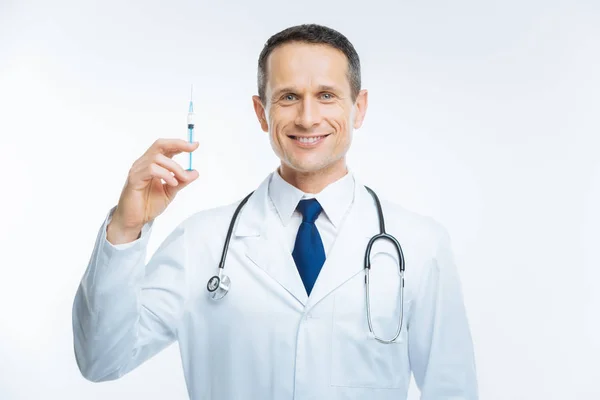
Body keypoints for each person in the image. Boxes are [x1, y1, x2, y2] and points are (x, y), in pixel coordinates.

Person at [72, 23, 479, 399]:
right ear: (261, 112)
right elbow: (101, 359)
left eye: (326, 95)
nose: (307, 118)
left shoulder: (420, 245)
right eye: (288, 97)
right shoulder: (201, 243)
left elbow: (453, 390)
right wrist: (126, 227)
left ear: (359, 107)